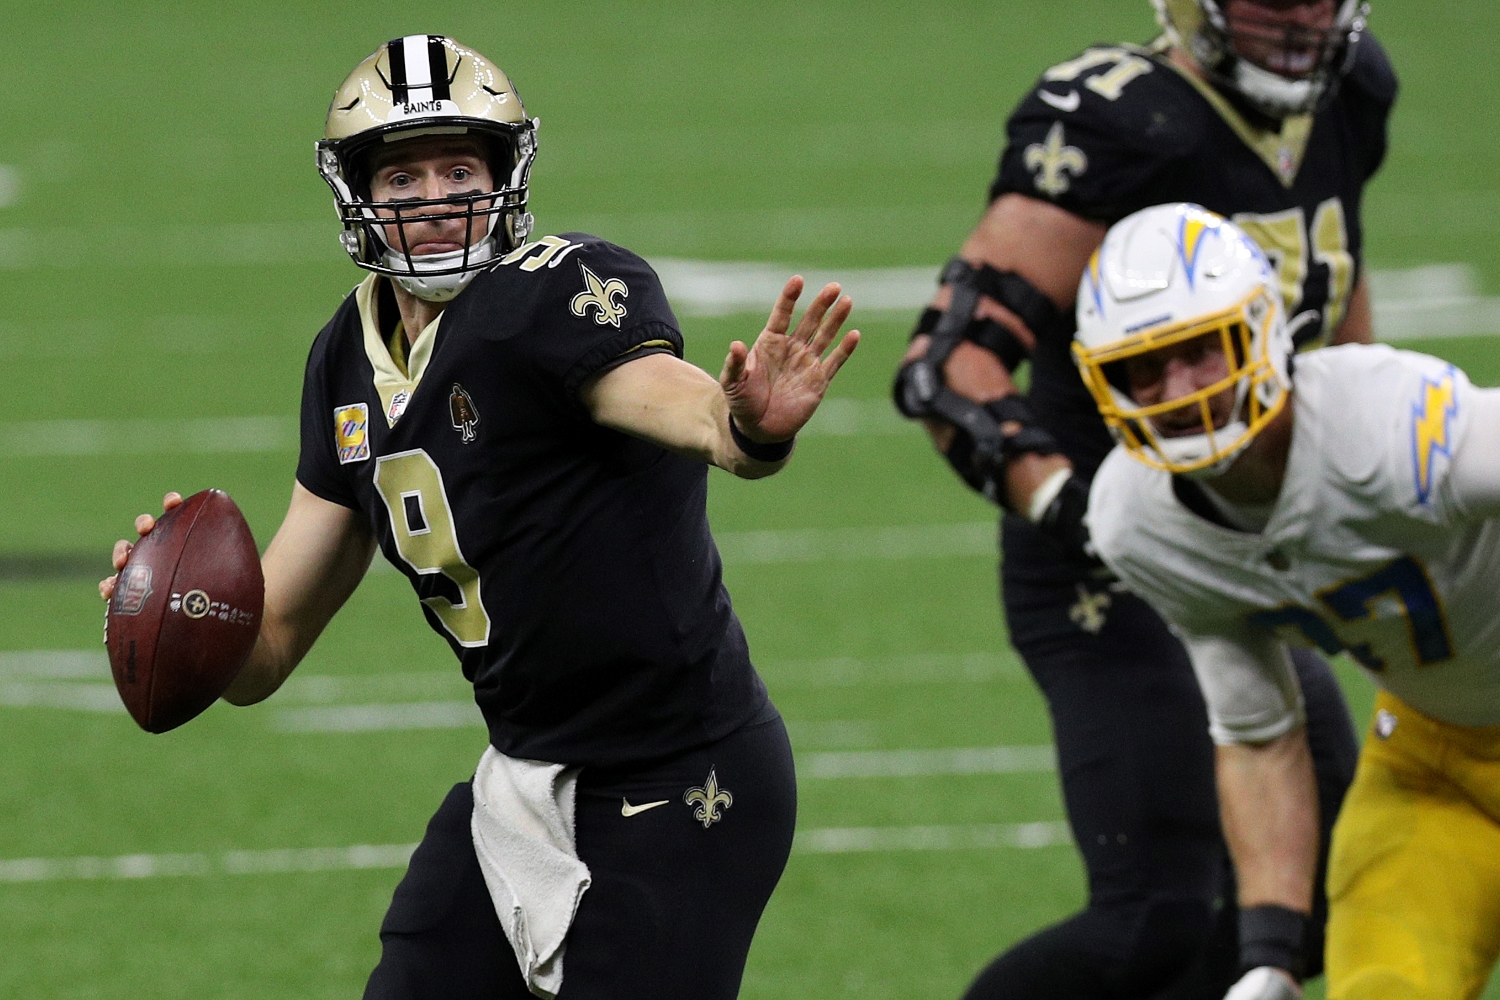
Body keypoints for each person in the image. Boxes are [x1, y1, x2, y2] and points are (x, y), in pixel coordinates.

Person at [99, 35, 859, 1000]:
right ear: (358, 196)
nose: (436, 196)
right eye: (403, 175)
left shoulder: (554, 293)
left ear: (505, 174)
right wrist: (186, 618)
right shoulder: (344, 356)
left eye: (461, 167)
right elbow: (273, 644)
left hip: (680, 779)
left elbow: (673, 401)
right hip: (523, 778)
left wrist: (743, 425)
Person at [892, 1, 1394, 995]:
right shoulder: (1122, 120)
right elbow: (950, 372)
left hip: (1258, 550)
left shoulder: (1354, 88)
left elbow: (1336, 298)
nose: (1297, 20)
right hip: (1111, 563)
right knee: (1154, 912)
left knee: (1324, 894)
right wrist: (1096, 520)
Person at [1078, 202, 1500, 1000]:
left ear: (1264, 330)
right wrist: (1268, 955)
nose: (1177, 391)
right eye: (1147, 368)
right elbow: (1257, 731)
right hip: (1437, 769)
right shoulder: (1137, 522)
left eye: (1201, 351)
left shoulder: (1383, 426)